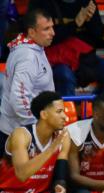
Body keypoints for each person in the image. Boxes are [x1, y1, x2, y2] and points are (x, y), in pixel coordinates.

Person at [28, 0, 104, 96]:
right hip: (56, 60)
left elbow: (99, 35)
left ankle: (99, 108)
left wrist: (90, 20)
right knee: (64, 76)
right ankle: (66, 111)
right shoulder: (41, 3)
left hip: (84, 57)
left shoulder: (86, 2)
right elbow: (42, 39)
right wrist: (75, 23)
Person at [0, 8, 55, 151]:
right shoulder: (27, 56)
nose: (52, 33)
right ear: (31, 32)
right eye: (46, 29)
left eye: (52, 27)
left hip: (20, 130)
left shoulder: (33, 48)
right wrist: (37, 126)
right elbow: (19, 97)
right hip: (20, 134)